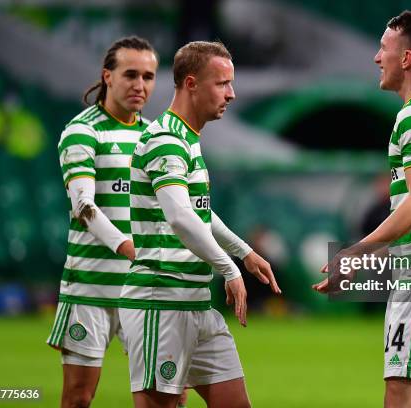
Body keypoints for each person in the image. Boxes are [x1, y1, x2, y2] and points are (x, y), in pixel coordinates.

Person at [314, 11, 411, 408]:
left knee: (401, 395)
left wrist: (354, 252)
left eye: (383, 48)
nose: (375, 58)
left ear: (406, 59)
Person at [119, 41, 281, 408]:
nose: (232, 94)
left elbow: (198, 212)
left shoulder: (187, 140)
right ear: (191, 84)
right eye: (222, 83)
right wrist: (229, 269)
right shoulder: (165, 140)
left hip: (195, 302)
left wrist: (244, 252)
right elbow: (179, 216)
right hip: (160, 301)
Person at [46, 36, 158, 408]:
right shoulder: (82, 131)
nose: (140, 85)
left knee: (166, 397)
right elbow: (83, 206)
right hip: (91, 289)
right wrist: (129, 248)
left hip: (144, 290)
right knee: (78, 397)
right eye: (130, 75)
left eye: (148, 76)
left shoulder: (157, 137)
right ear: (107, 76)